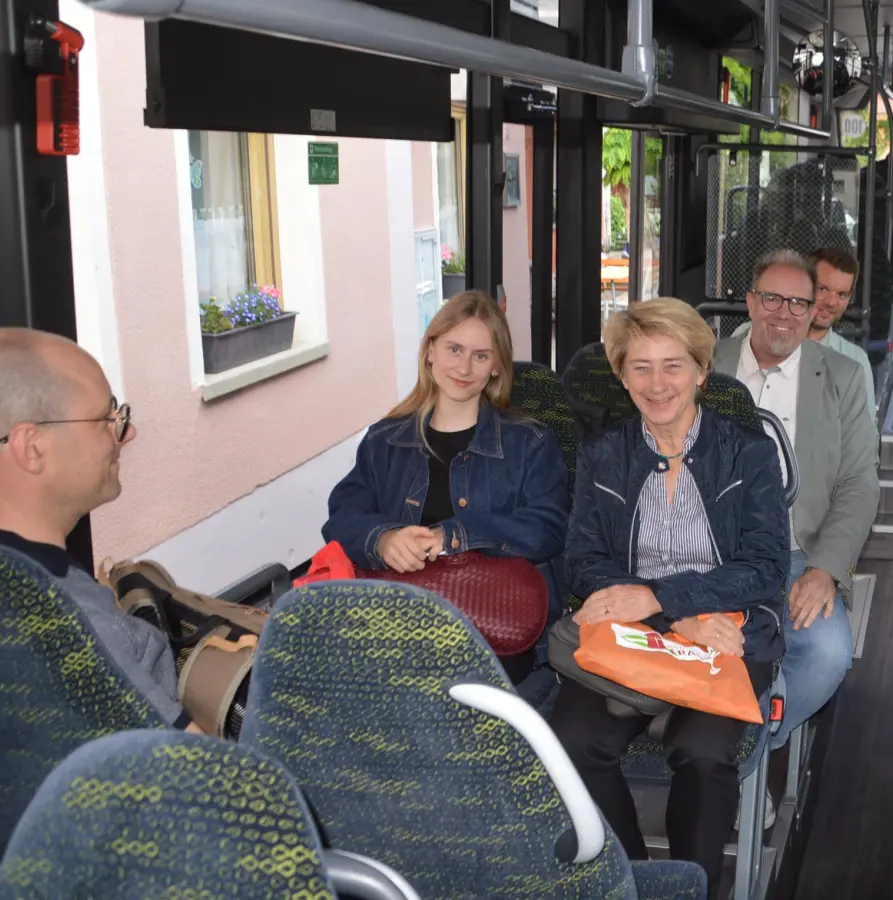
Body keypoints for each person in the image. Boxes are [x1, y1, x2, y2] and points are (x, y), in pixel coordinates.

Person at [549, 298, 789, 897]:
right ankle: (631, 881)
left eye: (673, 366)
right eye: (640, 367)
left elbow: (765, 568)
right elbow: (581, 558)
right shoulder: (605, 452)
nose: (658, 385)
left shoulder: (748, 452)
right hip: (634, 633)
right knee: (576, 740)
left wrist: (664, 600)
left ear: (702, 370)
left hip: (726, 630)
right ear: (622, 375)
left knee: (703, 750)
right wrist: (661, 613)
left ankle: (696, 888)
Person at [322, 291, 570, 684]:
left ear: (495, 368)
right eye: (454, 348)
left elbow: (548, 529)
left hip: (493, 626)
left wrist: (452, 537)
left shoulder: (531, 443)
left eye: (481, 355)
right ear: (430, 351)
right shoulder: (385, 439)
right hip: (398, 618)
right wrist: (383, 540)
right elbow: (342, 519)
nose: (465, 366)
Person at [0, 327, 190, 728]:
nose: (128, 433)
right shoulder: (67, 628)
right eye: (109, 418)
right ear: (31, 447)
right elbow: (209, 778)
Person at [714, 249, 880, 750]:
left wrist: (825, 569)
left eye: (797, 303)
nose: (783, 313)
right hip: (707, 550)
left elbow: (859, 482)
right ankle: (721, 754)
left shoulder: (843, 378)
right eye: (771, 299)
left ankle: (748, 751)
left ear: (813, 312)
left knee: (827, 653)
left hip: (796, 552)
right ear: (749, 302)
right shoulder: (706, 363)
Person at [733, 246, 876, 420]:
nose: (832, 302)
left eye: (842, 294)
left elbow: (865, 436)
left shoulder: (854, 360)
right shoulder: (746, 335)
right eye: (822, 289)